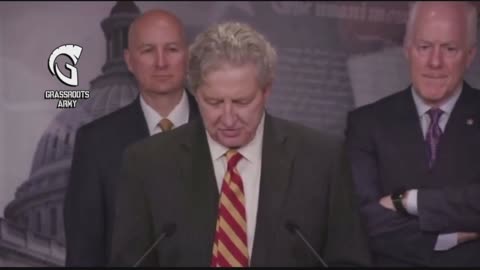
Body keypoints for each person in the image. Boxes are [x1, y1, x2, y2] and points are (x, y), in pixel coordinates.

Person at [109, 21, 371, 267]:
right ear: (196, 92)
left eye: (242, 102)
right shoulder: (148, 163)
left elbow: (348, 260)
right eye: (213, 102)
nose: (228, 118)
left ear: (266, 91)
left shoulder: (321, 159)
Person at [346, 1, 480, 267]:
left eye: (450, 49)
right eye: (424, 47)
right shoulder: (366, 123)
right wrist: (449, 239)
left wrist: (409, 200)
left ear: (470, 55)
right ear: (407, 50)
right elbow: (360, 220)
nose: (434, 62)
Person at [63, 9, 199, 266]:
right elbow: (84, 254)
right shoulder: (95, 143)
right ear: (129, 60)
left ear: (188, 56)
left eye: (171, 49)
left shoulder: (228, 129)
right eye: (148, 50)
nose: (161, 62)